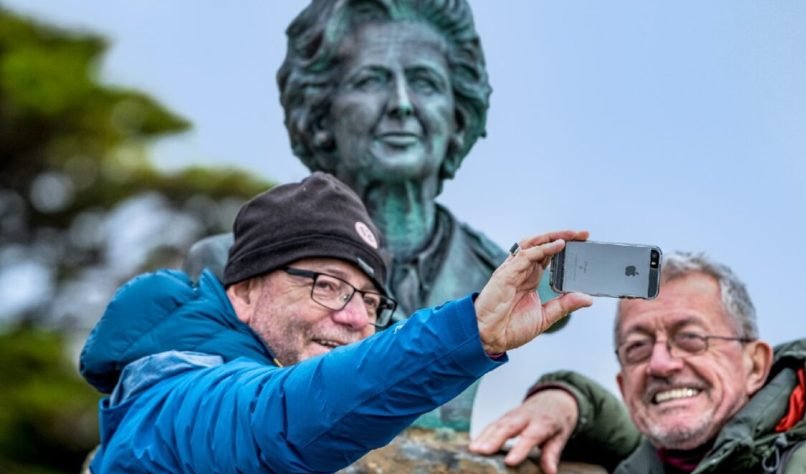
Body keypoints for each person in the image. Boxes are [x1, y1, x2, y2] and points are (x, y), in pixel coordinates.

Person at [79, 172, 593, 474]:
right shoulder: (175, 400)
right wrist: (468, 331)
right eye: (326, 285)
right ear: (244, 292)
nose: (353, 318)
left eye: (370, 300)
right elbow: (276, 423)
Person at [184, 0, 564, 430]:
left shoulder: (504, 277)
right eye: (370, 80)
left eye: (425, 82)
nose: (401, 104)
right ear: (321, 113)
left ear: (457, 116)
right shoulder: (227, 265)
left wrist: (568, 397)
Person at [470, 252, 806, 474]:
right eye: (638, 347)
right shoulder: (669, 466)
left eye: (690, 338)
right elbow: (630, 443)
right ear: (623, 385)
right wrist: (566, 399)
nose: (660, 364)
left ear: (755, 364)